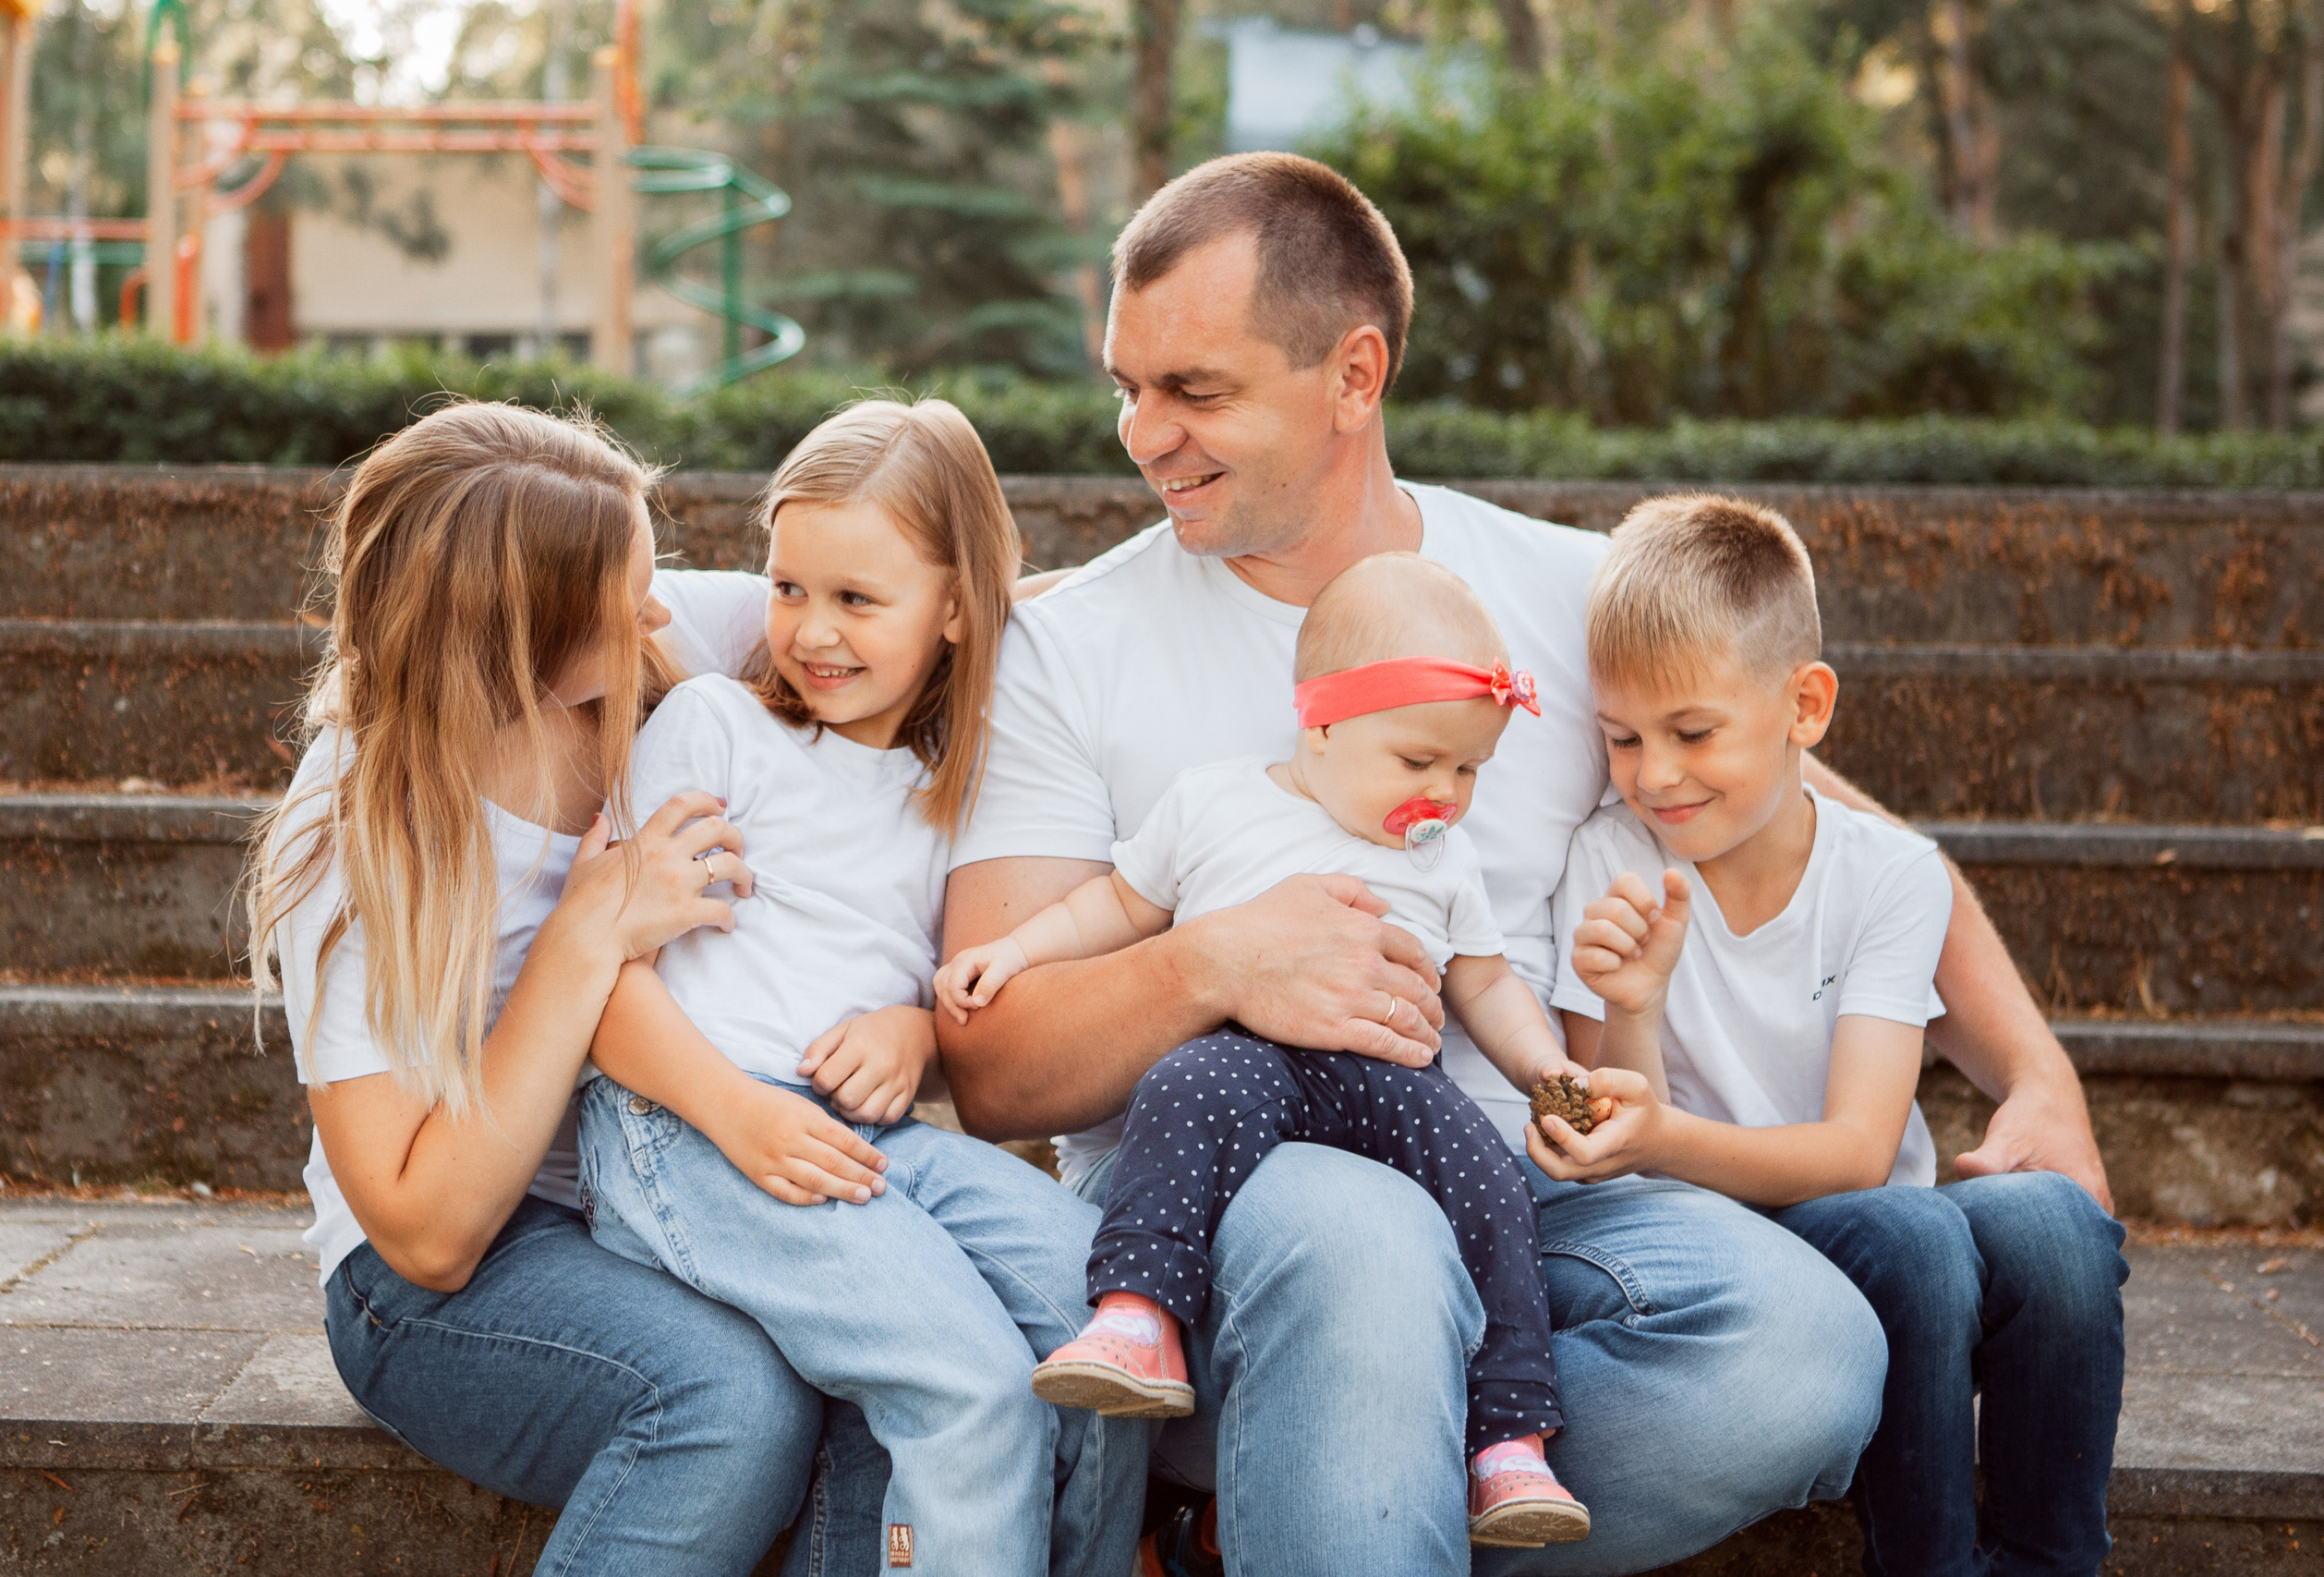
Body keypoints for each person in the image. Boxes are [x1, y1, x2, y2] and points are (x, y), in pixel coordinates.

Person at [936, 151, 2114, 1576]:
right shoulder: (1076, 648)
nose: (1140, 432)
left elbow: (1831, 821)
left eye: (1194, 390)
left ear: (1353, 374)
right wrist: (1213, 959)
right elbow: (993, 1067)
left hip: (1531, 1178)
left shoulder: (1560, 591)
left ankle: (1285, 1515)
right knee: (1368, 1249)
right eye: (1125, 384)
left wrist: (2035, 1071)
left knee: (1804, 1351)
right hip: (1224, 1194)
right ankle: (1327, 1483)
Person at [248, 400, 888, 1575]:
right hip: (448, 1274)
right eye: (623, 597)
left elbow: (922, 610)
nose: (661, 608)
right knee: (728, 1401)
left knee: (888, 1364)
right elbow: (427, 1233)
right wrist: (581, 941)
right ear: (511, 642)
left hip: (649, 1183)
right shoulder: (357, 838)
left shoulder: (645, 634)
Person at [574, 398, 1152, 1577]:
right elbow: (590, 976)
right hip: (684, 1124)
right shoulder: (717, 726)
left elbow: (944, 991)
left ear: (953, 608)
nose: (812, 630)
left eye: (857, 600)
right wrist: (737, 1113)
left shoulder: (964, 783)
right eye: (789, 588)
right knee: (972, 1385)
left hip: (858, 1137)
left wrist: (913, 1032)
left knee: (1105, 1324)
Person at [941, 552, 1592, 1550]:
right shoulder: (1217, 804)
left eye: (1468, 771)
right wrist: (1014, 950)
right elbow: (1116, 905)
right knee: (1181, 1084)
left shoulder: (1444, 859)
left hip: (1390, 1076)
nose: (1446, 796)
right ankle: (1137, 1316)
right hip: (1245, 1063)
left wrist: (1545, 1074)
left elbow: (1486, 984)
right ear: (1321, 725)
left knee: (1491, 1183)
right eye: (1419, 763)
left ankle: (1509, 1442)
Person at [1541, 493, 2126, 1577]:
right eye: (1620, 738)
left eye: (1693, 732)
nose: (1654, 775)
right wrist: (1632, 1002)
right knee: (1913, 1236)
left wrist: (1657, 1129)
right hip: (1731, 1245)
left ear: (1805, 706)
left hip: (1889, 1237)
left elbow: (1861, 1153)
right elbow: (1607, 1147)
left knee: (2052, 1224)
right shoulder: (1608, 862)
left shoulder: (1890, 875)